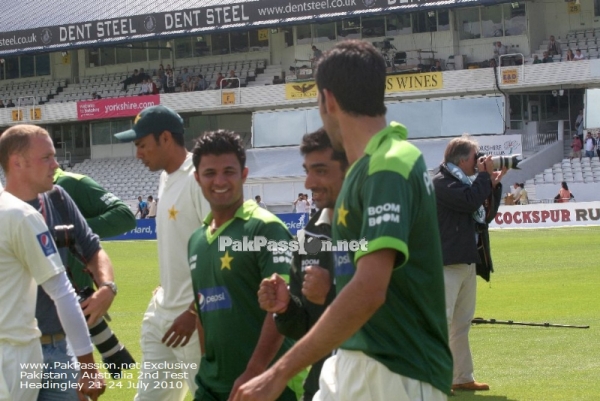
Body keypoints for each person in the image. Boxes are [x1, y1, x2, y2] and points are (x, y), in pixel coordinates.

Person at [234, 39, 452, 401]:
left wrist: (278, 372)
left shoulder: (390, 164)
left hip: (396, 372)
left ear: (327, 100)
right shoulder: (363, 172)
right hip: (354, 360)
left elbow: (369, 290)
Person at [188, 130, 304, 401]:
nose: (219, 181)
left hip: (266, 386)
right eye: (209, 173)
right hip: (211, 387)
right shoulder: (196, 240)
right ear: (197, 177)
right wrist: (208, 365)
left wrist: (254, 371)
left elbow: (282, 306)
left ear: (244, 174)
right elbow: (203, 311)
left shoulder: (266, 228)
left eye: (229, 171)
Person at [0, 125, 110, 401]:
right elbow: (62, 292)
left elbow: (92, 247)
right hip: (17, 352)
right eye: (46, 157)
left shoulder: (57, 199)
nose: (56, 163)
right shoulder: (20, 216)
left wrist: (108, 286)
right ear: (17, 162)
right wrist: (88, 366)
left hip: (54, 345)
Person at [114, 105, 208, 401]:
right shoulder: (167, 175)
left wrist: (194, 311)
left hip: (192, 321)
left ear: (165, 138)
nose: (138, 153)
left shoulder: (199, 177)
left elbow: (217, 250)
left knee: (208, 395)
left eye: (142, 145)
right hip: (161, 313)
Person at [258, 128, 347, 401]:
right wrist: (284, 308)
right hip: (323, 385)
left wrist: (329, 293)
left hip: (379, 384)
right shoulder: (310, 233)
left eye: (320, 171)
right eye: (307, 170)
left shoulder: (381, 223)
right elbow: (305, 326)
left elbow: (401, 312)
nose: (308, 183)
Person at [433, 136, 505, 393]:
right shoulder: (442, 182)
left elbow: (485, 216)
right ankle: (437, 378)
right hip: (445, 262)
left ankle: (461, 376)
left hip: (465, 260)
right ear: (462, 159)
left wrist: (493, 186)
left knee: (461, 323)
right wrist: (485, 179)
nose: (480, 162)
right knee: (441, 322)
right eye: (476, 157)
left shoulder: (465, 183)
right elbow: (468, 201)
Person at [54, 167, 137, 374]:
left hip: (73, 309)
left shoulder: (71, 183)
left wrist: (76, 232)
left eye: (51, 155)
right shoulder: (14, 196)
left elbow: (124, 216)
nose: (53, 160)